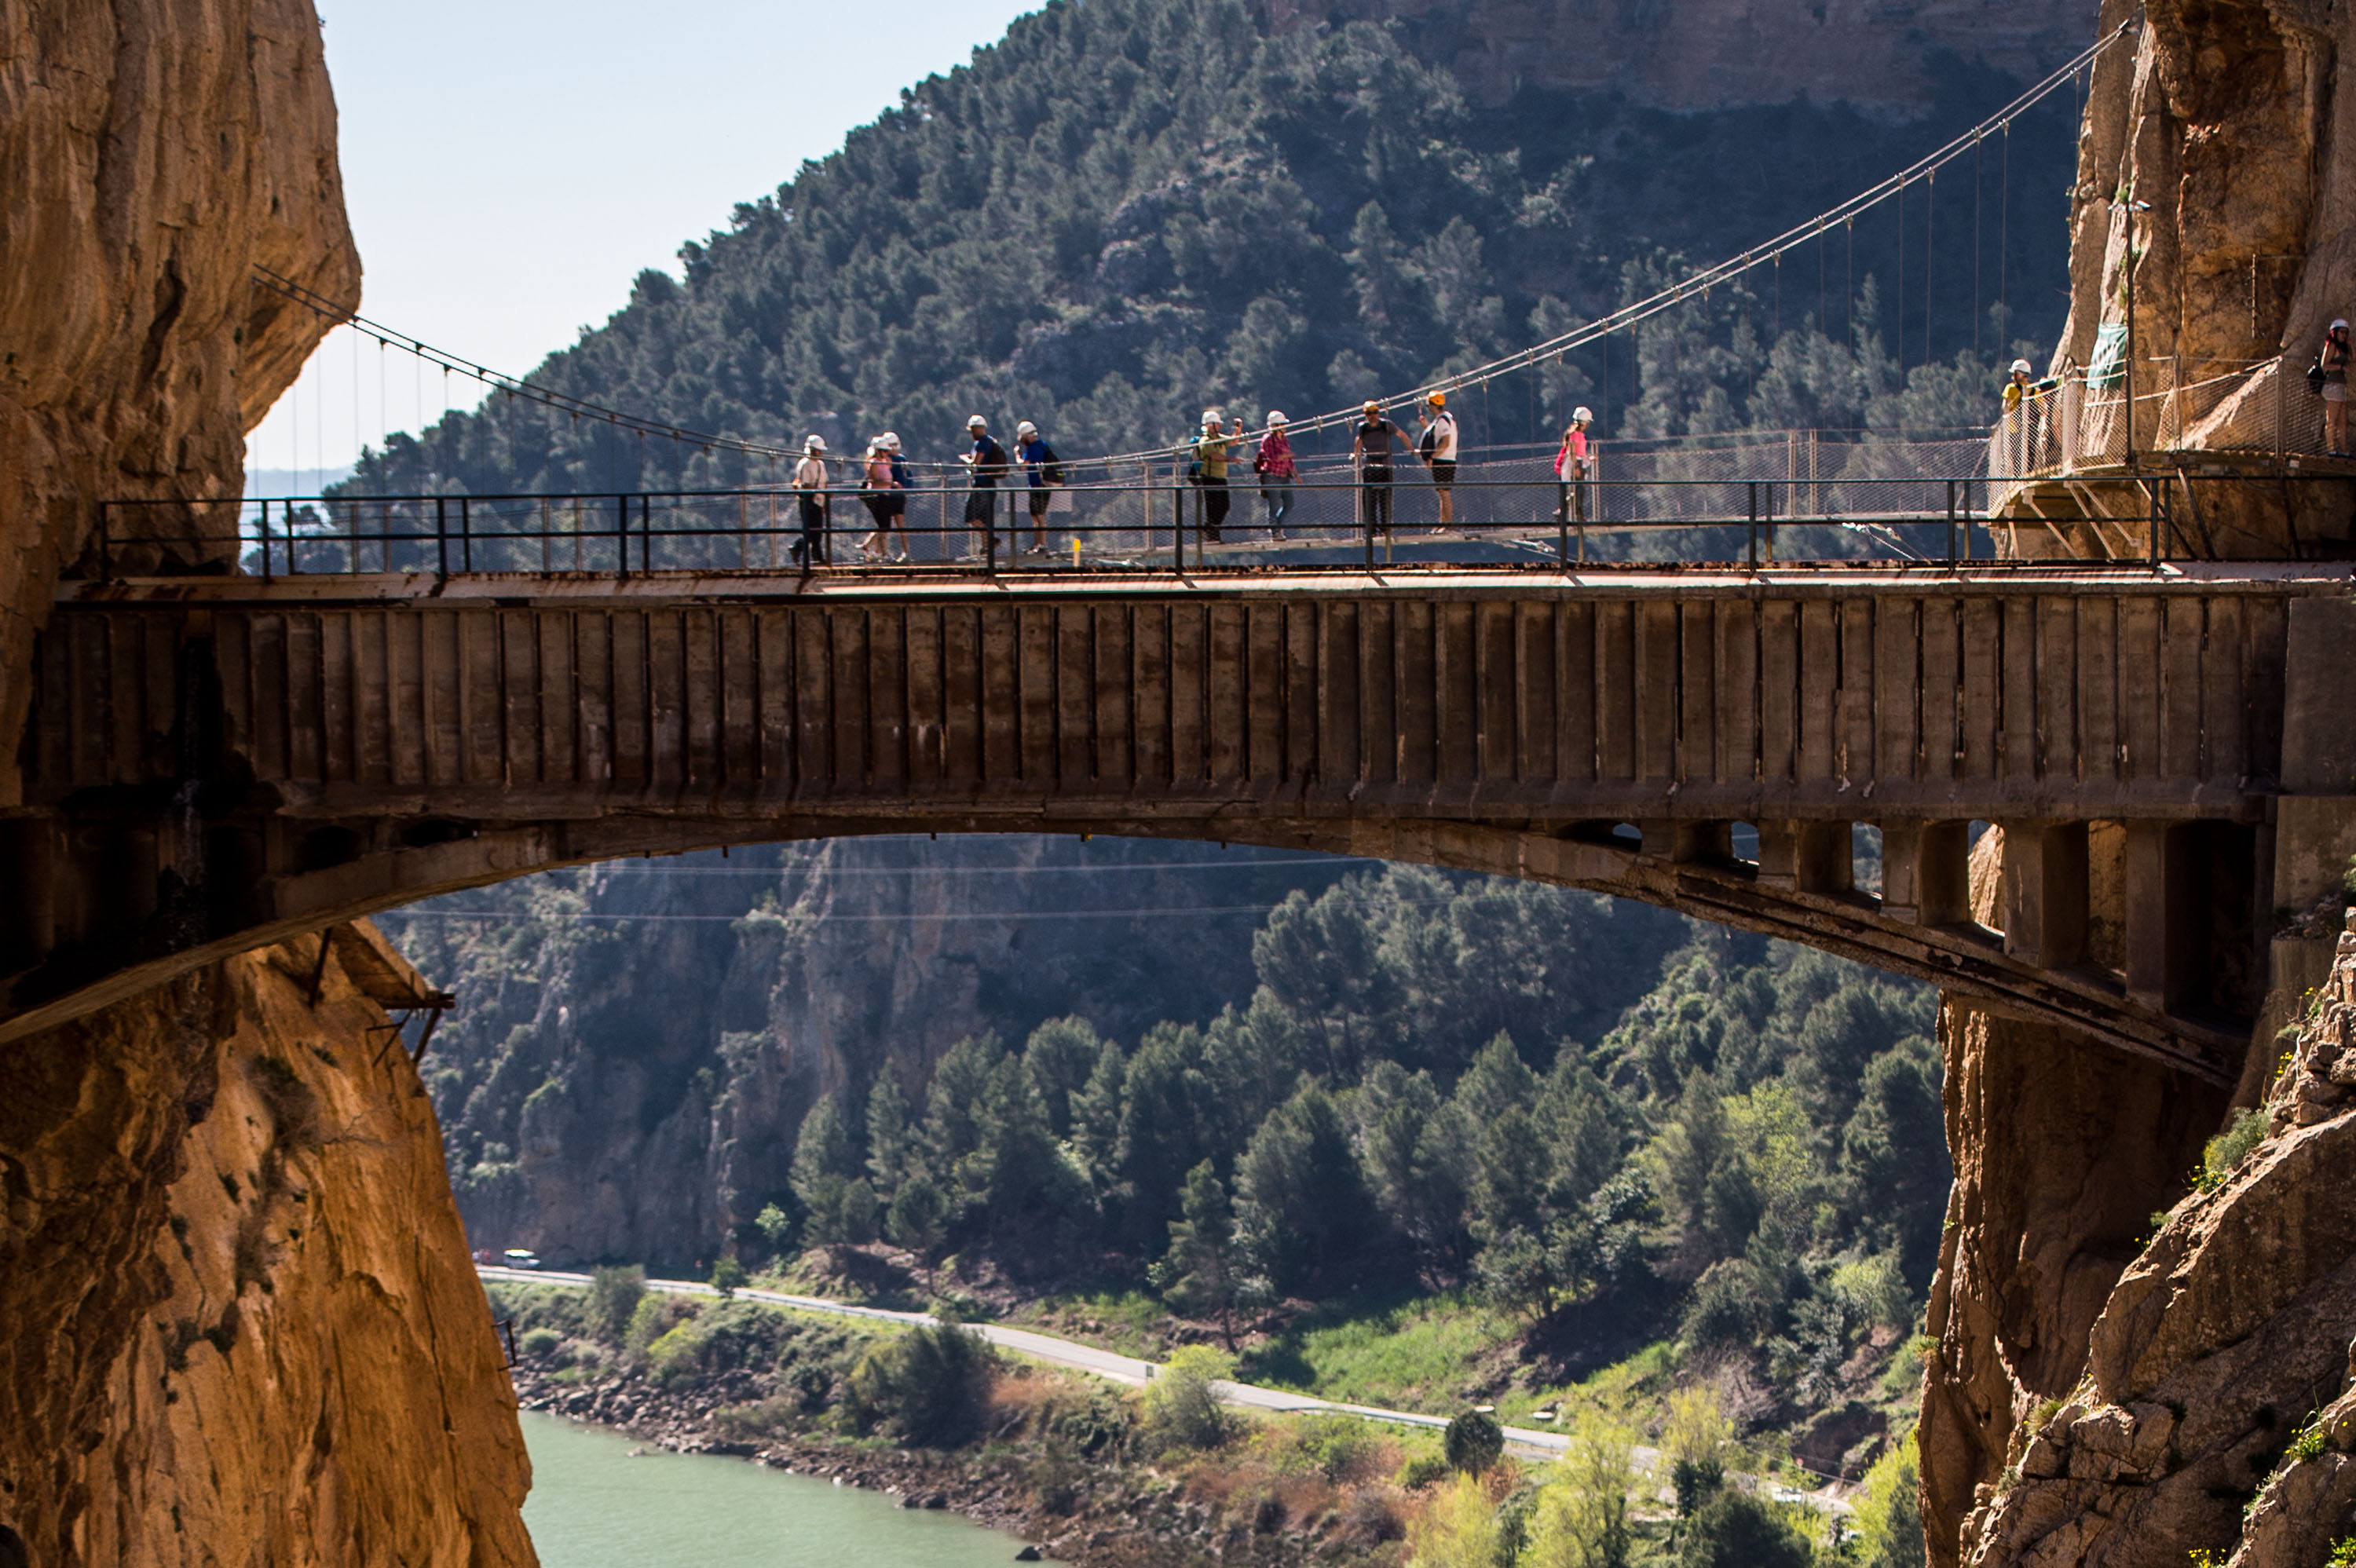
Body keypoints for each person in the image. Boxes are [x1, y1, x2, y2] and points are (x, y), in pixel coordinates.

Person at [1352, 400, 1407, 540]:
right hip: (1370, 467)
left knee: (1385, 497)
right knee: (1370, 499)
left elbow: (1401, 435)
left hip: (1385, 465)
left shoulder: (1386, 425)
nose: (1373, 416)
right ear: (1365, 415)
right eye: (1369, 413)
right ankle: (1371, 529)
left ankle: (1385, 528)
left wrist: (1412, 450)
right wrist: (1356, 454)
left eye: (1375, 412)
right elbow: (1359, 440)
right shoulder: (1363, 427)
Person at [960, 415, 1009, 549]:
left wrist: (965, 459)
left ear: (978, 429)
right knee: (983, 518)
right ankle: (987, 545)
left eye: (972, 430)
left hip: (982, 485)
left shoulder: (982, 443)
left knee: (971, 516)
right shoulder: (990, 441)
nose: (971, 433)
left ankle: (990, 539)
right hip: (989, 484)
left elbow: (976, 463)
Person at [1015, 419, 1061, 554]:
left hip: (1038, 486)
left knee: (1038, 515)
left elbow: (1023, 466)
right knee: (1036, 515)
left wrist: (1017, 454)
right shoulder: (1043, 445)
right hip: (1040, 485)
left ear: (1028, 437)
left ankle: (1042, 544)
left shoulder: (1034, 448)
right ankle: (1038, 544)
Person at [1416, 390, 1459, 531]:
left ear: (1434, 405)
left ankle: (1448, 524)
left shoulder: (1442, 421)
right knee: (1442, 491)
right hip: (1447, 459)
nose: (1428, 408)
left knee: (1444, 492)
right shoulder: (1447, 419)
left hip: (1443, 460)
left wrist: (1432, 457)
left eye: (1429, 405)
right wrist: (1426, 426)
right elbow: (1438, 434)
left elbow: (1445, 442)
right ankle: (1443, 523)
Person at [1189, 411, 1235, 543]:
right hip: (1209, 477)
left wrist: (1238, 429)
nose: (1219, 427)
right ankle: (1212, 535)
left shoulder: (1219, 438)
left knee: (1224, 506)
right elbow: (1214, 455)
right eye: (1217, 424)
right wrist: (1230, 459)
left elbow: (1234, 441)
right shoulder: (1205, 441)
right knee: (1213, 508)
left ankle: (1209, 531)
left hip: (1221, 477)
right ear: (1210, 425)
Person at [1253, 411, 1296, 538]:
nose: (1285, 427)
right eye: (1282, 424)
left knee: (1290, 503)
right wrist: (1286, 455)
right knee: (1274, 505)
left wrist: (1296, 475)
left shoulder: (1284, 440)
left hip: (1284, 475)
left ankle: (1278, 526)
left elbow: (1289, 460)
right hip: (1271, 475)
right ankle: (1275, 531)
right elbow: (1271, 457)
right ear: (1276, 425)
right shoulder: (1267, 440)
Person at [791, 434, 830, 568]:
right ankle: (817, 557)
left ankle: (801, 549)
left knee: (816, 531)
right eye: (819, 450)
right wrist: (820, 492)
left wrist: (824, 500)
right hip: (807, 500)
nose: (821, 453)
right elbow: (806, 484)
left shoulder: (820, 464)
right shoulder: (805, 464)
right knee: (812, 531)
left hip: (818, 501)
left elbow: (824, 483)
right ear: (812, 450)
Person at [1553, 407, 1593, 536]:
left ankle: (1566, 513)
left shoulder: (1578, 434)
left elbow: (1579, 452)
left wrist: (1587, 459)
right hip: (1574, 465)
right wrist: (1576, 468)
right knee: (1578, 491)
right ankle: (1575, 515)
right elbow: (1572, 452)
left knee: (1578, 492)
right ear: (1584, 422)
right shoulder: (1575, 435)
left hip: (1578, 464)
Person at [858, 438, 899, 563]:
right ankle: (883, 553)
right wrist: (891, 484)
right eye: (885, 451)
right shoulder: (874, 463)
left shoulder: (884, 462)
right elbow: (874, 480)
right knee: (883, 525)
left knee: (884, 525)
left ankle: (870, 548)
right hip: (877, 497)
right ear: (878, 451)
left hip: (884, 495)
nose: (887, 453)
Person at [881, 432, 913, 562]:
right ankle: (905, 552)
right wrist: (906, 488)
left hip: (891, 495)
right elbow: (909, 477)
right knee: (898, 525)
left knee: (883, 525)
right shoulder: (902, 459)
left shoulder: (888, 460)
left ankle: (882, 553)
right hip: (899, 495)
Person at [2324, 321, 2351, 456]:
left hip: (2342, 386)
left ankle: (2344, 450)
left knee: (2343, 420)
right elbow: (2325, 364)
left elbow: (2354, 359)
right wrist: (2340, 367)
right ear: (2335, 332)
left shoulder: (2344, 348)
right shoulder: (2332, 346)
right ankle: (2331, 449)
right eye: (2341, 332)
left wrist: (2351, 345)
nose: (2344, 335)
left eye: (2346, 332)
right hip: (2333, 385)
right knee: (2332, 419)